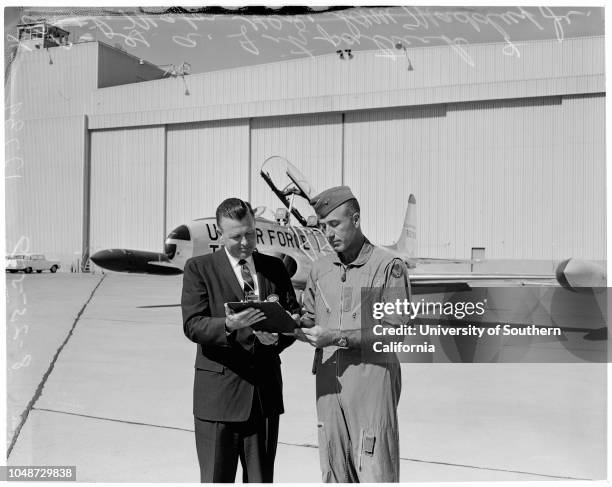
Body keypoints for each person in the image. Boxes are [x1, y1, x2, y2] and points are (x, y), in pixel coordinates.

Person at [298, 186, 411, 483]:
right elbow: (309, 319)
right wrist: (279, 325)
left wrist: (335, 337)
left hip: (370, 385)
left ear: (356, 219)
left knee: (376, 471)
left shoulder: (387, 267)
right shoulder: (320, 268)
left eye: (335, 224)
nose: (328, 233)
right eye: (323, 227)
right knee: (333, 469)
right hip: (328, 387)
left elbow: (394, 331)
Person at [181, 197, 298, 483]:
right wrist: (228, 325)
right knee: (216, 479)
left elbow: (291, 315)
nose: (245, 242)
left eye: (250, 233)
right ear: (220, 234)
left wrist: (277, 339)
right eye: (236, 236)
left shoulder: (275, 268)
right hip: (218, 398)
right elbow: (193, 324)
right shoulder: (199, 269)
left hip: (263, 397)